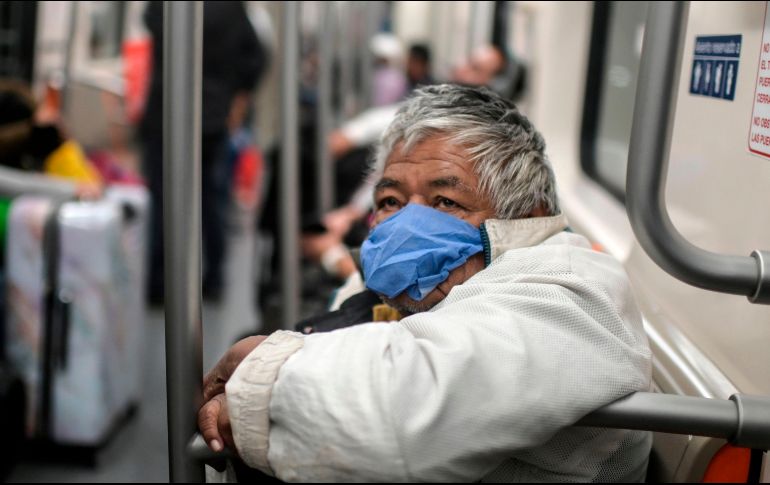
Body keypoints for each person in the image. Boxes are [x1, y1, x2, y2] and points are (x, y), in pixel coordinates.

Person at [198, 85, 652, 482]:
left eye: (445, 201)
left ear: (527, 217)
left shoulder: (572, 293)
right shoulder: (393, 291)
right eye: (392, 200)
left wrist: (261, 376)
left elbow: (406, 408)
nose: (409, 224)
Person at [141, 1, 266, 304]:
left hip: (167, 110)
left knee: (163, 197)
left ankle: (160, 282)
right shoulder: (232, 8)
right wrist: (238, 96)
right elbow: (256, 58)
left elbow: (150, 21)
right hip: (212, 114)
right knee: (210, 198)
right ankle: (214, 278)